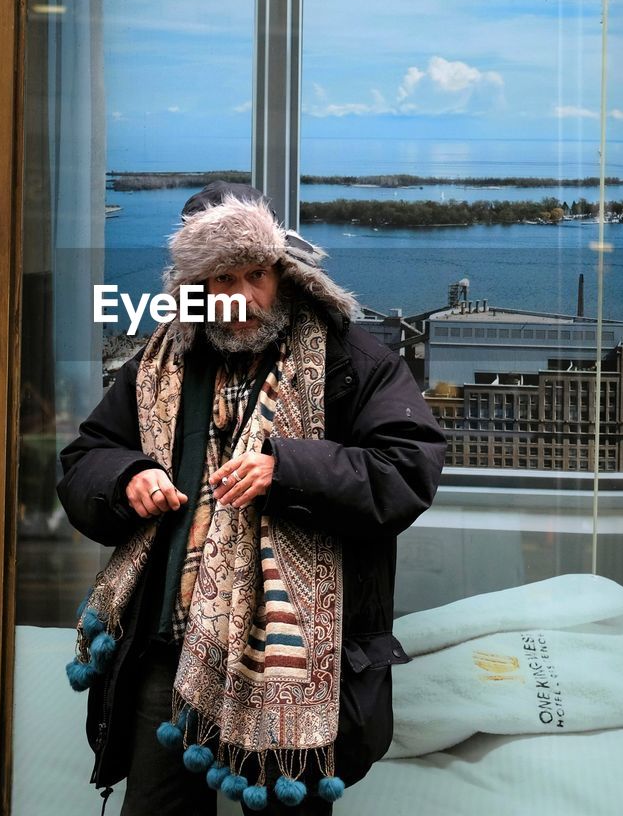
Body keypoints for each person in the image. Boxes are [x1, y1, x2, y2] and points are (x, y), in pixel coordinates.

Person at [58, 182, 445, 815]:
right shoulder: (158, 363)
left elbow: (409, 469)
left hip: (290, 669)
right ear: (192, 287)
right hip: (166, 651)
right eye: (220, 279)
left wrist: (286, 470)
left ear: (282, 271)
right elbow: (82, 464)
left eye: (255, 275)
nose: (240, 297)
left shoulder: (352, 360)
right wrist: (126, 477)